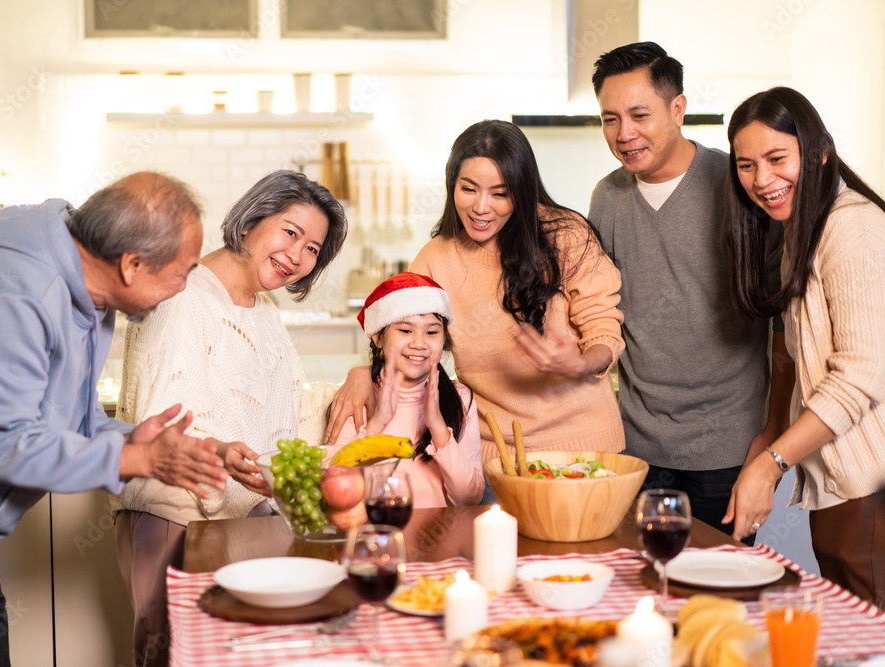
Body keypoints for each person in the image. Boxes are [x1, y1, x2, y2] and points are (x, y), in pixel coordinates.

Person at [0, 172, 228, 666]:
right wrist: (138, 459)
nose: (182, 289)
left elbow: (70, 424)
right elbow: (5, 446)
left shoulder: (89, 299)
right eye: (182, 272)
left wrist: (139, 440)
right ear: (131, 264)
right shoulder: (17, 294)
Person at [112, 170, 347, 667]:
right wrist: (220, 451)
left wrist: (360, 378)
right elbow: (159, 422)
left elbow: (281, 414)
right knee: (171, 653)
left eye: (313, 249)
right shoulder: (183, 294)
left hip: (242, 522)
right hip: (175, 516)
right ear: (248, 223)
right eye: (291, 232)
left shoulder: (263, 314)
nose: (298, 256)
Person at [328, 120, 625, 468]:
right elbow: (410, 338)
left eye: (500, 194)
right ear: (452, 184)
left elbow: (604, 326)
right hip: (492, 459)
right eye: (469, 189)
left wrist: (579, 363)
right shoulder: (435, 259)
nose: (481, 207)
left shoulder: (567, 235)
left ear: (522, 192)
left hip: (585, 449)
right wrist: (365, 371)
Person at [588, 42, 791, 540]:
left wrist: (770, 440)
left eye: (639, 114)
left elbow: (786, 327)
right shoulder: (607, 197)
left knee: (716, 596)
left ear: (678, 109)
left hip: (726, 447)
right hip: (635, 445)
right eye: (610, 119)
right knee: (644, 587)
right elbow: (597, 312)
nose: (624, 134)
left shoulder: (741, 182)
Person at [722, 87, 885, 606]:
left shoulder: (852, 226)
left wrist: (772, 462)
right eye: (746, 165)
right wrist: (772, 431)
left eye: (776, 159)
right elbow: (794, 351)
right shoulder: (801, 228)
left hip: (870, 488)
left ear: (817, 152)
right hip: (839, 486)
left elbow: (860, 374)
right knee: (850, 638)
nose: (762, 180)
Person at [328, 272, 484, 507]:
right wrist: (376, 424)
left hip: (440, 537)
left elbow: (469, 498)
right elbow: (335, 488)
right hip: (376, 533)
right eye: (405, 330)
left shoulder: (460, 397)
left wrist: (439, 428)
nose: (419, 343)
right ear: (378, 338)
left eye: (432, 332)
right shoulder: (357, 398)